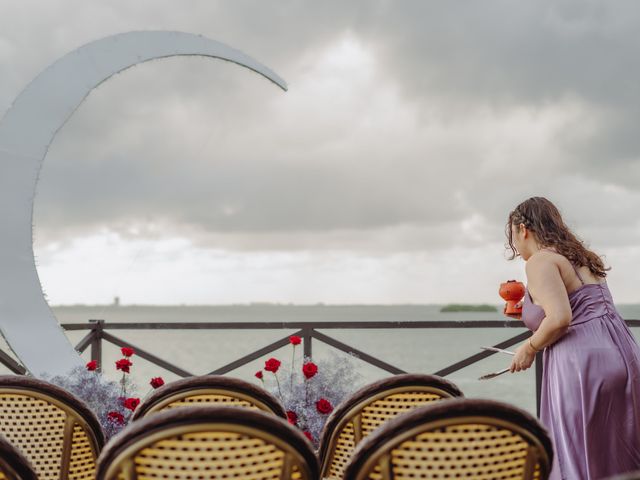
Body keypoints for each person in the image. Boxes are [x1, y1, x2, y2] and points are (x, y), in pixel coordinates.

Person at [505, 196, 640, 479]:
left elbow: (560, 318)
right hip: (624, 355)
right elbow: (582, 306)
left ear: (523, 229)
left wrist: (529, 348)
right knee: (621, 453)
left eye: (512, 236)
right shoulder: (582, 257)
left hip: (582, 365)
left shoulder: (541, 262)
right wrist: (530, 313)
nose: (515, 246)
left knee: (579, 454)